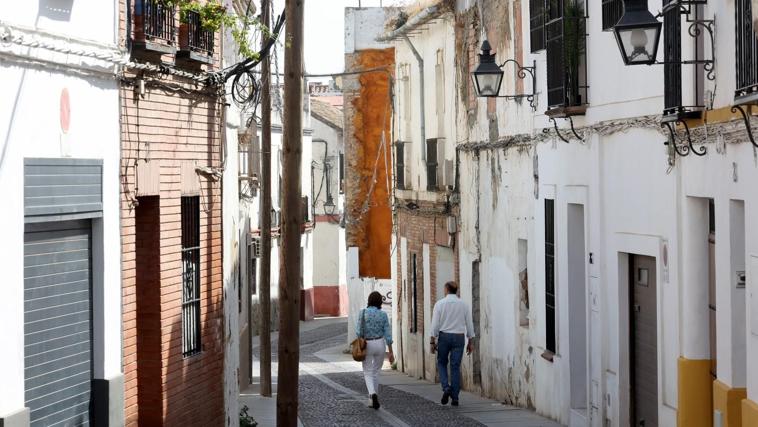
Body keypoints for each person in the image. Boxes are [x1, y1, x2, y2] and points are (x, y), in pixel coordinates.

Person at [430, 281, 475, 407]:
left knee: (442, 363)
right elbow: (469, 324)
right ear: (457, 291)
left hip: (444, 336)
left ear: (446, 290)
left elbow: (435, 325)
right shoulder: (464, 305)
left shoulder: (439, 304)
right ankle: (455, 397)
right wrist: (470, 341)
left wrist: (432, 341)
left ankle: (446, 388)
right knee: (455, 366)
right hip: (459, 337)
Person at [355, 291, 394, 410]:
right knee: (376, 371)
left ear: (369, 300)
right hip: (380, 344)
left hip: (368, 344)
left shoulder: (363, 313)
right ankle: (373, 400)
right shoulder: (383, 315)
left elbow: (358, 332)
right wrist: (391, 352)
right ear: (380, 302)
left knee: (367, 371)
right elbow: (388, 334)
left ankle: (372, 394)